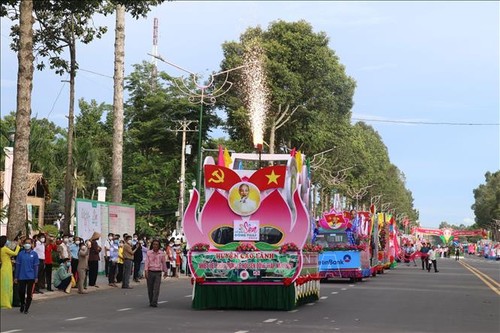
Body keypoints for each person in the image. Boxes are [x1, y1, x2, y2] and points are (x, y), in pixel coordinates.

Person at [15, 238, 39, 314]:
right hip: (22, 276)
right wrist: (16, 277)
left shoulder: (34, 254)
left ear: (32, 244)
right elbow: (17, 266)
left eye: (29, 243)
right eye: (26, 243)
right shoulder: (21, 254)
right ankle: (22, 303)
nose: (27, 244)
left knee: (29, 293)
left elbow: (36, 266)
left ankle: (27, 307)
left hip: (31, 276)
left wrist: (36, 276)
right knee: (21, 291)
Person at [144, 240, 168, 307]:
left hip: (158, 272)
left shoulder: (161, 253)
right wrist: (146, 271)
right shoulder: (149, 253)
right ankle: (151, 301)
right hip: (150, 271)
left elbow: (163, 263)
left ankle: (154, 302)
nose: (155, 246)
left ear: (159, 246)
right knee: (150, 288)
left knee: (156, 288)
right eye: (154, 244)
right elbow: (146, 262)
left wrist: (165, 271)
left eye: (157, 244)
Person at [1, 235, 22, 309]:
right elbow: (15, 253)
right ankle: (6, 302)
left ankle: (5, 301)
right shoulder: (4, 249)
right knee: (7, 285)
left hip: (5, 267)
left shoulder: (2, 249)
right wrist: (18, 245)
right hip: (7, 268)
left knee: (4, 285)